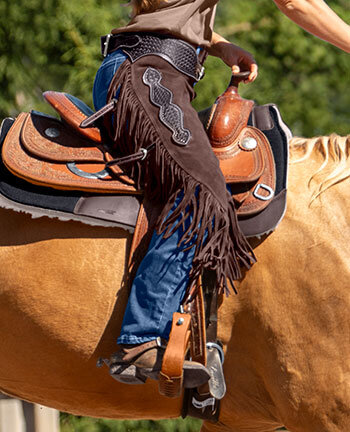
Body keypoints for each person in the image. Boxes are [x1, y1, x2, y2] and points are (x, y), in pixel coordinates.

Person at [93, 0, 350, 387]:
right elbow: (298, 3)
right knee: (202, 190)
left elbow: (166, 16)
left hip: (146, 69)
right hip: (147, 75)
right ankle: (141, 337)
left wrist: (218, 45)